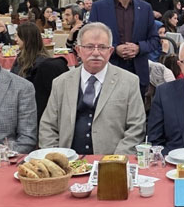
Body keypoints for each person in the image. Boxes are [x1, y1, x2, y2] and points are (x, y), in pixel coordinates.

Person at [39, 22, 145, 154]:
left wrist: (116, 161)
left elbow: (136, 128)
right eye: (89, 47)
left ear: (110, 51)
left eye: (102, 47)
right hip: (68, 160)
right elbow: (47, 127)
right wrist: (56, 158)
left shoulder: (129, 82)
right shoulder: (61, 83)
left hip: (111, 160)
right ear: (78, 50)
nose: (96, 53)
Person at [88, 0, 161, 94]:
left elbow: (155, 40)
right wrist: (115, 49)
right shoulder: (99, 8)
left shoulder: (145, 8)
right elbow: (91, 40)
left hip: (138, 73)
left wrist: (138, 48)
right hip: (108, 72)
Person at [11, 23, 68, 123]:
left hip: (30, 110)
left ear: (26, 38)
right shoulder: (22, 58)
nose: (15, 39)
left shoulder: (41, 64)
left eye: (18, 36)